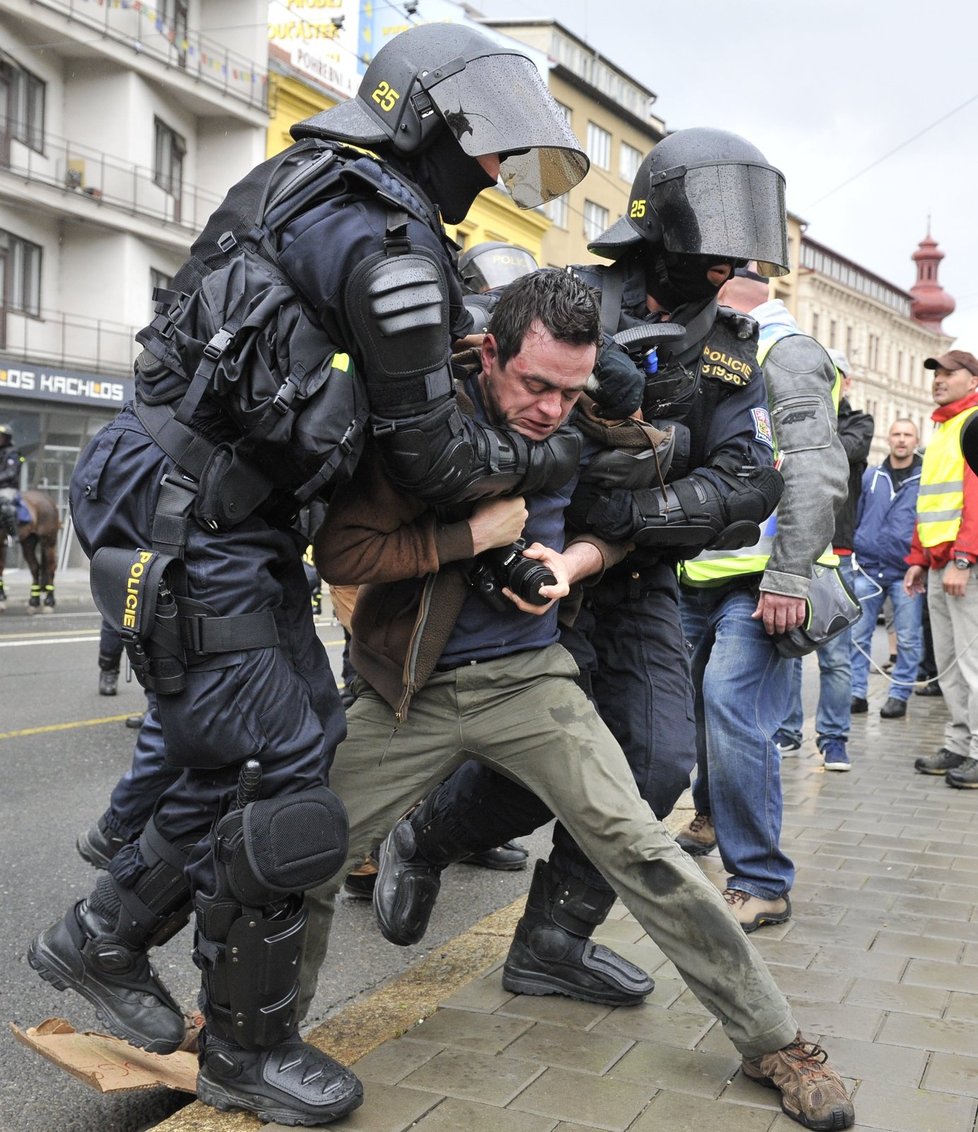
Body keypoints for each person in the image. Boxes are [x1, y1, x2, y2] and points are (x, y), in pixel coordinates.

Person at [26, 23, 592, 1128]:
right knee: (285, 760)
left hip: (201, 509)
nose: (490, 175)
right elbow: (430, 452)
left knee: (258, 746)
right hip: (193, 518)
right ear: (428, 124)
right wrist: (546, 454)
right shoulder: (387, 246)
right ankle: (248, 1047)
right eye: (483, 150)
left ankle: (101, 936)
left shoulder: (313, 184)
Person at [303, 268, 854, 1132]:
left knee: (645, 843)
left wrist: (576, 560)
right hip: (407, 684)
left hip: (532, 682)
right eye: (535, 385)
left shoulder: (589, 414)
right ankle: (243, 1034)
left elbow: (626, 510)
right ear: (491, 353)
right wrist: (466, 537)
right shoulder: (425, 418)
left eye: (571, 389)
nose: (553, 407)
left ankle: (774, 1038)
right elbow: (343, 553)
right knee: (304, 850)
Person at [363, 128, 791, 1009]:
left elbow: (747, 480)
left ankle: (553, 942)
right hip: (520, 572)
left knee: (659, 766)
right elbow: (470, 395)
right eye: (709, 254)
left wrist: (646, 509)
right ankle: (427, 838)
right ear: (663, 228)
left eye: (731, 260)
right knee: (535, 764)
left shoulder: (735, 349)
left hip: (636, 579)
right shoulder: (564, 301)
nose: (720, 272)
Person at [675, 268, 849, 928]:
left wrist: (787, 576)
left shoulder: (786, 349)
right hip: (699, 573)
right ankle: (715, 815)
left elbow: (814, 470)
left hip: (758, 581)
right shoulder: (713, 344)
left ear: (723, 287)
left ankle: (763, 881)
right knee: (696, 712)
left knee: (731, 705)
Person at [774, 350, 874, 760]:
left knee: (835, 657)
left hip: (837, 555)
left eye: (831, 376)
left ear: (843, 382)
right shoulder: (787, 416)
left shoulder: (857, 423)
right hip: (791, 551)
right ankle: (789, 731)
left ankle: (834, 740)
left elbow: (830, 452)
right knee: (791, 654)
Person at [906, 350, 978, 788]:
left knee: (972, 663)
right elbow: (930, 501)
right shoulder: (943, 427)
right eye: (937, 372)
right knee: (949, 665)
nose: (941, 378)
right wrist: (917, 559)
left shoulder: (972, 424)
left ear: (973, 381)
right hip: (938, 564)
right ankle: (959, 742)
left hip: (962, 565)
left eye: (951, 372)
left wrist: (965, 558)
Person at [849, 419, 923, 718]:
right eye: (897, 434)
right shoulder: (871, 477)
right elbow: (857, 513)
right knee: (857, 635)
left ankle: (899, 695)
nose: (901, 440)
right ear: (889, 439)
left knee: (908, 637)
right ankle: (856, 693)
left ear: (915, 441)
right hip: (868, 568)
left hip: (908, 571)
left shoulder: (925, 478)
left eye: (907, 435)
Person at [0, 423, 26, 541]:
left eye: (1, 436)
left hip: (7, 488)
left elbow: (11, 473)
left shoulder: (13, 453)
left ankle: (12, 534)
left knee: (5, 506)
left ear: (7, 438)